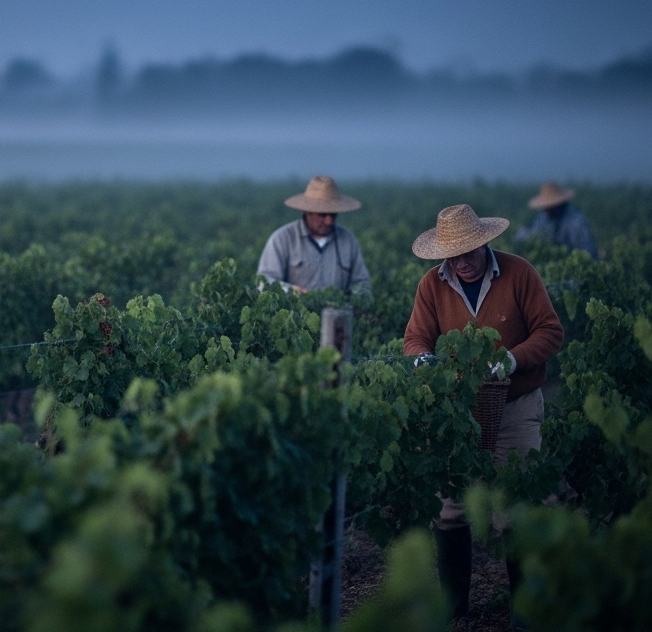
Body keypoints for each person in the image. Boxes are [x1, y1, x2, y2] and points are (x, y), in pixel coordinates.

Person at [402, 204, 564, 626]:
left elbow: (551, 332)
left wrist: (513, 360)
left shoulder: (519, 273)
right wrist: (420, 358)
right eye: (453, 255)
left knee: (516, 503)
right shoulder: (430, 286)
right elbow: (416, 337)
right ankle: (455, 613)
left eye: (469, 252)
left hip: (516, 406)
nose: (462, 262)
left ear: (485, 242)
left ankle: (524, 614)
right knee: (451, 509)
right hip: (459, 413)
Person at [256, 175, 371, 294]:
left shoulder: (348, 240)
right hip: (295, 311)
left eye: (333, 215)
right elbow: (265, 283)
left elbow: (362, 283)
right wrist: (295, 292)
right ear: (307, 212)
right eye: (322, 215)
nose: (329, 221)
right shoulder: (282, 239)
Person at [514, 181, 597, 256]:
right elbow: (530, 233)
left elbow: (587, 250)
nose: (545, 209)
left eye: (549, 206)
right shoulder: (544, 217)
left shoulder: (576, 220)